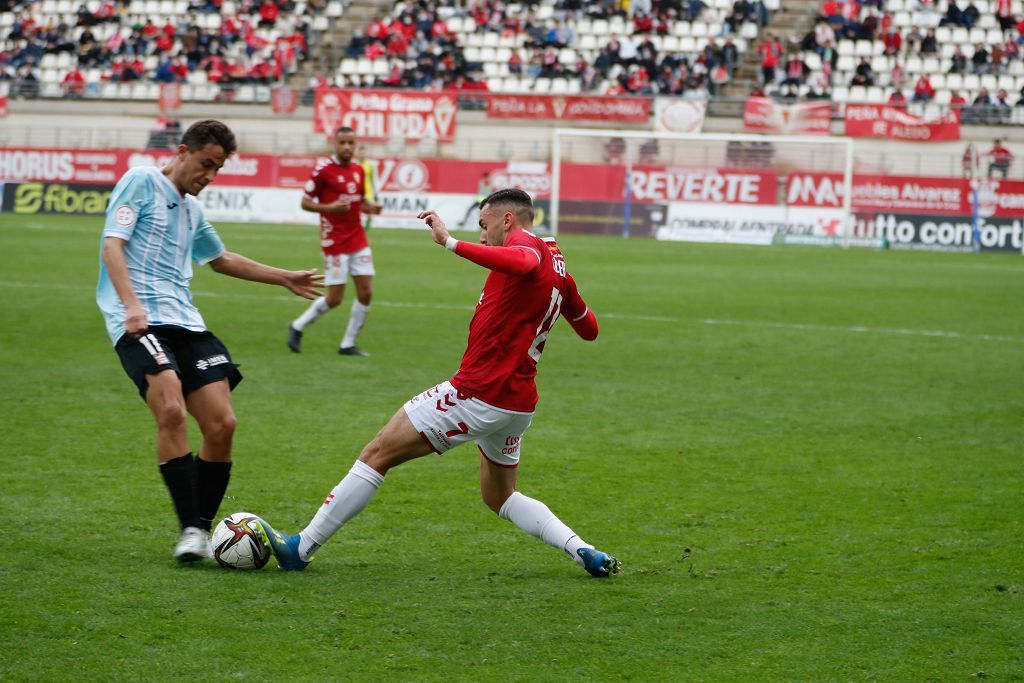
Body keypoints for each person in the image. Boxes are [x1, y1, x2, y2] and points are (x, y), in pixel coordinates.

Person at [258, 189, 621, 578]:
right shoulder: (557, 262)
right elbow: (590, 329)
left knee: (377, 452)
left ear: (507, 220)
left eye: (484, 227)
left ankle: (302, 547)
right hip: (517, 403)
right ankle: (583, 550)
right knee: (499, 496)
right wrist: (564, 292)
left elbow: (524, 260)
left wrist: (449, 242)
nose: (482, 236)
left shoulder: (530, 250)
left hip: (478, 392)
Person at [96, 120, 324, 563]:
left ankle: (200, 528)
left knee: (222, 425)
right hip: (140, 322)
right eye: (205, 165)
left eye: (217, 169)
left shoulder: (192, 211)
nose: (210, 176)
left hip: (188, 323)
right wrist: (130, 306)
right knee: (170, 408)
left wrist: (284, 278)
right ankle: (189, 530)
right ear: (182, 151)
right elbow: (112, 245)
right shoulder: (141, 181)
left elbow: (220, 259)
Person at [287, 126, 383, 356]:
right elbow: (305, 202)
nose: (347, 147)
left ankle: (348, 343)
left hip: (358, 238)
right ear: (335, 144)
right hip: (335, 241)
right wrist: (328, 208)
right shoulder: (323, 171)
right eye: (343, 143)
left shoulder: (359, 170)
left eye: (351, 143)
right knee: (335, 298)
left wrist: (371, 207)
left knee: (366, 291)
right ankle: (298, 325)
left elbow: (358, 200)